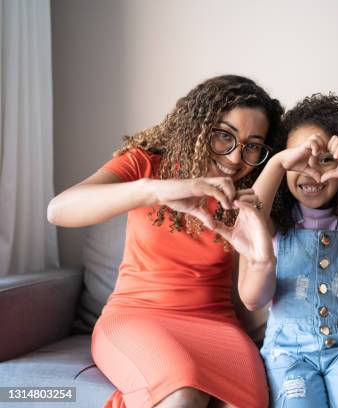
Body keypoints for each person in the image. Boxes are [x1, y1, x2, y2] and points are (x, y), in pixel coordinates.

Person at [47, 75, 283, 408]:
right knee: (182, 395)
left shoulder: (244, 199)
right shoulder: (146, 164)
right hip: (137, 318)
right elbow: (58, 210)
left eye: (252, 145)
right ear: (198, 127)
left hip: (218, 326)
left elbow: (252, 299)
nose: (234, 157)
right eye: (223, 136)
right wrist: (152, 190)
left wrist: (262, 258)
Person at [239, 94, 338, 407]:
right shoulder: (272, 224)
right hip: (288, 355)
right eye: (299, 160)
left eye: (326, 159)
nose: (312, 172)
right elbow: (248, 224)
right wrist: (279, 162)